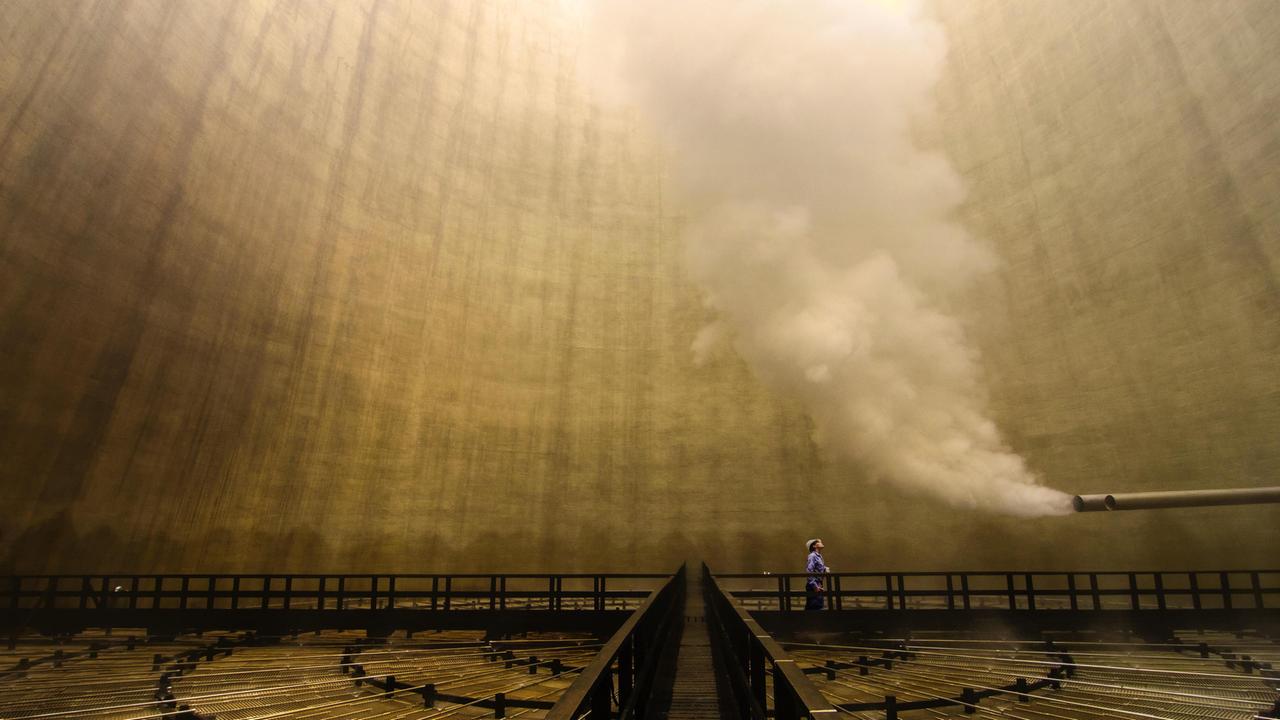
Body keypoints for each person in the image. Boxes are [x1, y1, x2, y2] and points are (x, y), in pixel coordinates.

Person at [805, 538, 828, 610]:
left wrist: (824, 568)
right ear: (814, 546)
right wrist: (815, 586)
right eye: (819, 542)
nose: (821, 543)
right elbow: (809, 570)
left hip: (818, 583)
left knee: (816, 607)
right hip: (814, 584)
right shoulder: (812, 556)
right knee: (815, 607)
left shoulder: (818, 556)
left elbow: (817, 568)